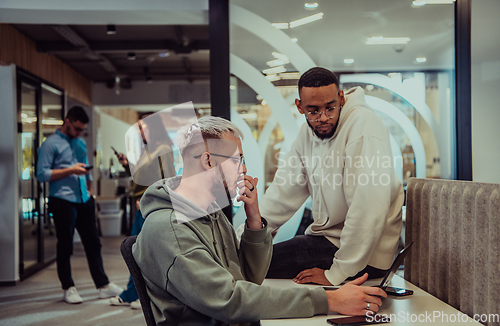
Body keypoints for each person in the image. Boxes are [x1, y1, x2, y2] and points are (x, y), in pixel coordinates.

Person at [133, 116, 386, 325]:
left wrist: (254, 219)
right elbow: (229, 300)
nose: (243, 170)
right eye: (236, 160)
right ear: (208, 161)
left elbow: (248, 279)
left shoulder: (210, 213)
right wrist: (329, 300)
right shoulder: (170, 230)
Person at [261, 67, 404, 286]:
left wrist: (336, 273)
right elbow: (283, 192)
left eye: (330, 108)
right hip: (329, 241)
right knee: (250, 259)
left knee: (253, 265)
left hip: (367, 256)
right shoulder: (306, 135)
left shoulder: (364, 126)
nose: (323, 118)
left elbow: (369, 206)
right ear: (300, 107)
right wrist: (248, 233)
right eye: (313, 111)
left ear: (341, 98)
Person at [36, 106, 123, 304]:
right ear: (67, 122)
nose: (78, 133)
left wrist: (90, 191)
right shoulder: (50, 144)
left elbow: (86, 169)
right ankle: (68, 287)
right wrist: (70, 170)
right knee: (65, 246)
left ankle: (103, 285)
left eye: (81, 130)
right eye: (76, 128)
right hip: (62, 200)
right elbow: (41, 174)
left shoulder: (81, 143)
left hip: (84, 200)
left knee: (93, 244)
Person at [109, 111, 176, 309]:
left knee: (141, 252)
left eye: (142, 127)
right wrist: (126, 165)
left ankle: (137, 295)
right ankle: (135, 294)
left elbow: (168, 179)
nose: (139, 131)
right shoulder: (150, 149)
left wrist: (150, 197)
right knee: (138, 251)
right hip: (142, 206)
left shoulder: (163, 149)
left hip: (151, 207)